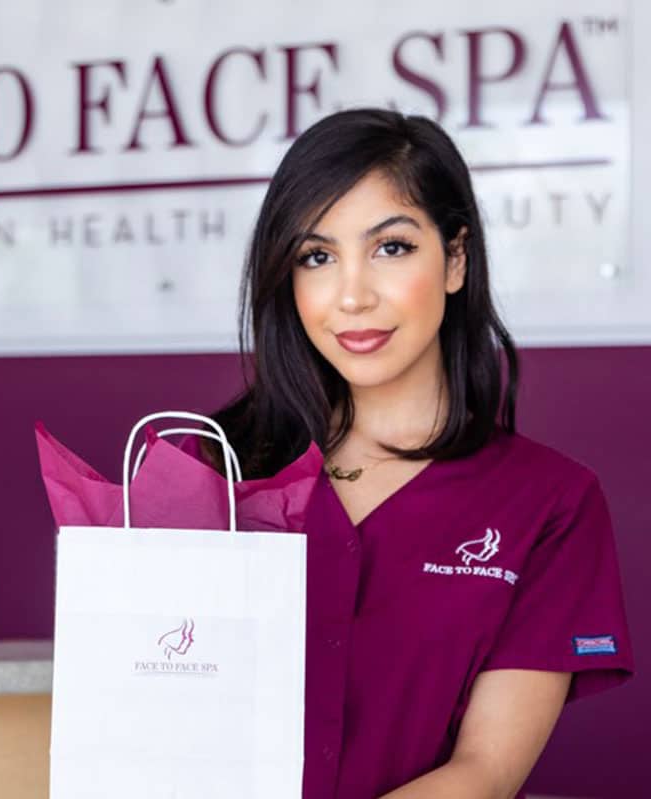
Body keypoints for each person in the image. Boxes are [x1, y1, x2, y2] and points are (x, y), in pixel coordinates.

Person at [191, 108, 635, 798]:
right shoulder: (212, 470)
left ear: (455, 258)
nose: (352, 295)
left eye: (390, 247)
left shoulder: (551, 503)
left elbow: (484, 771)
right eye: (317, 256)